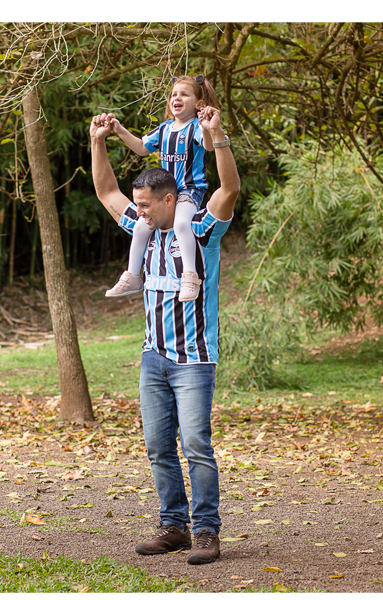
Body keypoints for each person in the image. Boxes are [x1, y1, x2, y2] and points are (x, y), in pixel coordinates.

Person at [90, 105, 240, 565]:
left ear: (170, 200)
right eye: (138, 206)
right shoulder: (143, 229)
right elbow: (106, 191)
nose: (139, 212)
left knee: (196, 445)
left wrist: (217, 137)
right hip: (153, 357)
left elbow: (229, 189)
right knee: (158, 447)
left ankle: (207, 531)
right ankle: (173, 526)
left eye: (147, 205)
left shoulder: (200, 231)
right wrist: (98, 141)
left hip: (194, 358)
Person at [104, 74, 220, 303]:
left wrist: (208, 126)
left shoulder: (196, 128)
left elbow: (208, 145)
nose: (177, 98)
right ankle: (132, 276)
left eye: (184, 94)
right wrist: (118, 129)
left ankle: (190, 275)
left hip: (188, 191)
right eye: (173, 94)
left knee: (181, 223)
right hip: (165, 194)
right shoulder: (164, 129)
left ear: (198, 103)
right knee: (140, 228)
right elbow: (140, 147)